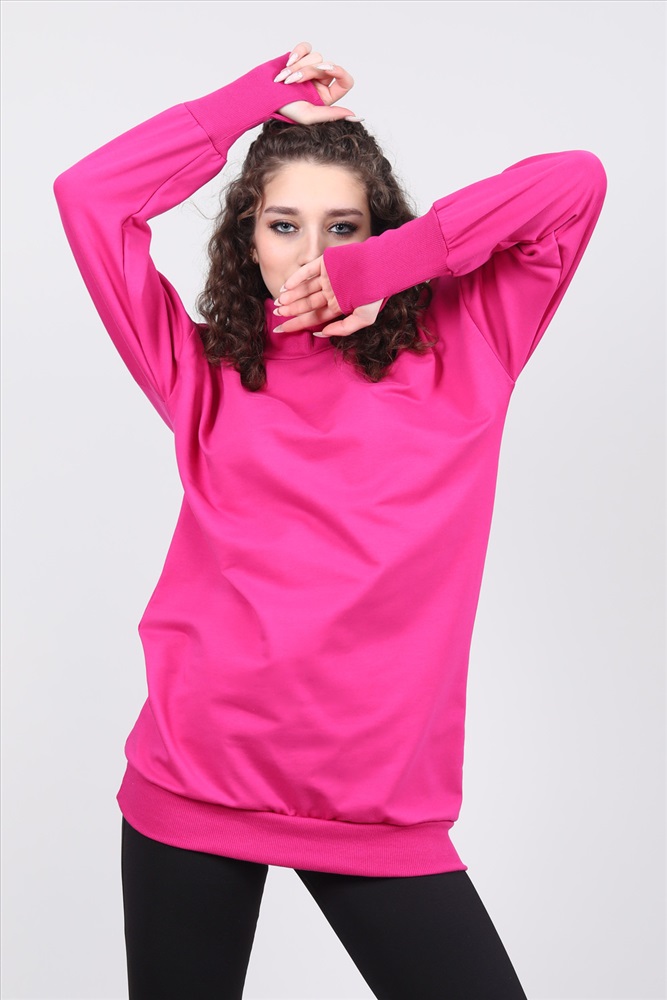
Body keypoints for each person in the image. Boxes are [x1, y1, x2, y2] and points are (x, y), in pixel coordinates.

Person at [54, 40, 606, 1000]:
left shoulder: (469, 344)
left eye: (342, 227)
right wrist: (253, 98)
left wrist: (389, 267)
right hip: (193, 782)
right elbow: (90, 196)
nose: (310, 253)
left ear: (378, 232)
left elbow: (575, 182)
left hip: (377, 810)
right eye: (283, 224)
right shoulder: (202, 370)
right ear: (247, 238)